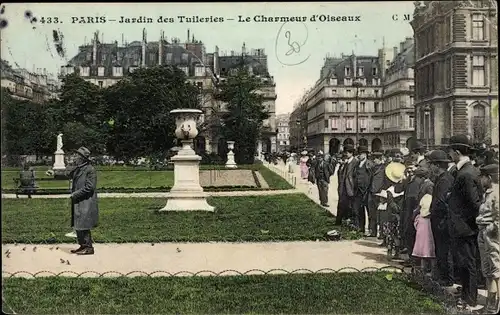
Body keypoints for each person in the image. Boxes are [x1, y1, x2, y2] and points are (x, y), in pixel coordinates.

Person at [446, 134, 483, 310]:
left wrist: (467, 224)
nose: (450, 155)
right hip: (463, 226)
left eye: (451, 152)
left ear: (457, 152)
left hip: (464, 228)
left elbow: (474, 203)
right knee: (464, 263)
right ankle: (466, 295)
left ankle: (470, 299)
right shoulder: (465, 171)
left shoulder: (466, 174)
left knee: (467, 263)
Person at [428, 150, 455, 286]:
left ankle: (447, 278)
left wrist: (434, 212)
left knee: (444, 250)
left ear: (437, 165)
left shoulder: (445, 180)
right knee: (441, 249)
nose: (430, 168)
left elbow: (442, 202)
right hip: (439, 219)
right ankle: (443, 276)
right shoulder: (443, 178)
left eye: (431, 164)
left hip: (442, 221)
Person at [477, 163, 500, 313]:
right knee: (487, 269)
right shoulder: (488, 192)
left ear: (489, 177)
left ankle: (494, 306)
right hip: (483, 232)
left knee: (495, 269)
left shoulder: (496, 193)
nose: (480, 180)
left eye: (482, 177)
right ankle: (489, 305)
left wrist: (493, 227)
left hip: (491, 234)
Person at [69, 146, 99, 255]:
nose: (74, 157)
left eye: (77, 155)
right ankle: (82, 245)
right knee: (78, 224)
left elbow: (90, 187)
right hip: (79, 201)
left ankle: (89, 247)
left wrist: (75, 194)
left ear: (82, 158)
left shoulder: (90, 170)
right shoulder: (79, 168)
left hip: (86, 201)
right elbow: (68, 174)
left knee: (84, 224)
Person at [412, 178, 435, 274]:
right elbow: (418, 208)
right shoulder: (426, 197)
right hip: (425, 222)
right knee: (425, 245)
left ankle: (429, 268)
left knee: (427, 245)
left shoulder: (431, 197)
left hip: (427, 222)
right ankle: (425, 268)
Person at [353, 146, 373, 233]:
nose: (358, 156)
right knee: (358, 210)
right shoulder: (357, 164)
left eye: (360, 154)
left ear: (365, 154)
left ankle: (371, 230)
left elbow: (371, 178)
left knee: (369, 211)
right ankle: (360, 228)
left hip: (366, 191)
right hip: (358, 191)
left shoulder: (369, 164)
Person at [336, 145, 357, 225]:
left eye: (347, 153)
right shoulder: (346, 162)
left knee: (350, 206)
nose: (346, 154)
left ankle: (349, 221)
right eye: (345, 152)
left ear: (351, 153)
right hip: (343, 187)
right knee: (342, 204)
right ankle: (339, 221)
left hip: (350, 187)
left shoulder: (355, 162)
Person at [368, 151, 386, 237]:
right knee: (372, 213)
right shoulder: (373, 168)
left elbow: (385, 182)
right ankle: (373, 231)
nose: (374, 160)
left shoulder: (384, 168)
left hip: (379, 193)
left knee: (381, 214)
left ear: (380, 159)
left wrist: (382, 191)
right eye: (373, 158)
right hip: (371, 193)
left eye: (375, 159)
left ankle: (382, 233)